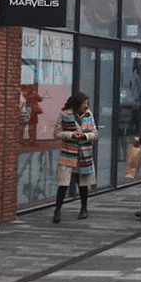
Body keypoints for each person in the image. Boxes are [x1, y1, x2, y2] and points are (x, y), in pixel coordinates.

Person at [52, 92, 98, 223]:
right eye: (84, 103)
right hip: (68, 154)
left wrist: (85, 136)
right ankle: (57, 210)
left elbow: (94, 133)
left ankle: (84, 209)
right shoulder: (65, 115)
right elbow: (57, 133)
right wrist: (71, 135)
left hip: (84, 154)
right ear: (78, 104)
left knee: (83, 183)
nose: (86, 106)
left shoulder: (88, 115)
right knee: (63, 183)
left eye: (87, 104)